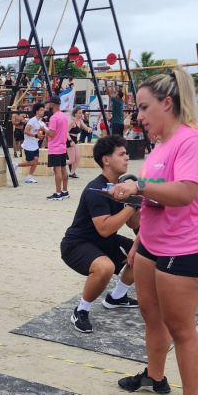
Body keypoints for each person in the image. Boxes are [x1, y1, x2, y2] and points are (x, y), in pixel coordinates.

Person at [108, 67, 198, 395]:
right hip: (153, 245)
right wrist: (139, 242)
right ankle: (155, 377)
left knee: (181, 328)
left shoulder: (192, 141)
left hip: (184, 248)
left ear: (167, 103)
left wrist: (137, 188)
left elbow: (184, 192)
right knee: (152, 318)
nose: (138, 116)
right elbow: (154, 197)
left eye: (143, 107)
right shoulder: (161, 145)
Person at [61, 135, 140, 333]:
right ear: (106, 160)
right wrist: (131, 205)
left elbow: (133, 224)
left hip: (105, 242)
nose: (127, 158)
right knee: (106, 267)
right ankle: (80, 311)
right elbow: (104, 228)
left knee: (143, 254)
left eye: (126, 154)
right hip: (77, 245)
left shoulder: (120, 187)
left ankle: (116, 298)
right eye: (121, 154)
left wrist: (136, 203)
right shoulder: (96, 189)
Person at [44, 96, 70, 200]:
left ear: (52, 104)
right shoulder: (63, 116)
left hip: (55, 147)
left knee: (57, 170)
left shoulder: (54, 117)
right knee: (63, 168)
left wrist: (44, 128)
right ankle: (64, 191)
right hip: (62, 146)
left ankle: (58, 193)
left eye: (49, 104)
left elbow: (51, 133)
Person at [15, 102, 46, 183]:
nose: (43, 111)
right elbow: (26, 131)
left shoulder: (41, 122)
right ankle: (15, 165)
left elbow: (46, 131)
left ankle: (29, 177)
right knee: (31, 162)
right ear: (37, 111)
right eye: (41, 110)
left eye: (43, 110)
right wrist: (36, 136)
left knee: (36, 160)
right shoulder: (32, 121)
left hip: (35, 144)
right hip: (28, 144)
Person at [67, 107, 89, 178]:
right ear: (75, 114)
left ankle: (72, 173)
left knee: (77, 158)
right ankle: (57, 165)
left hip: (75, 140)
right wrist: (70, 140)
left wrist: (89, 129)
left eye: (81, 113)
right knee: (71, 160)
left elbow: (85, 128)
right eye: (79, 113)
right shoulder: (72, 121)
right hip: (69, 140)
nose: (81, 115)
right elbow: (65, 132)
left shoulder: (80, 121)